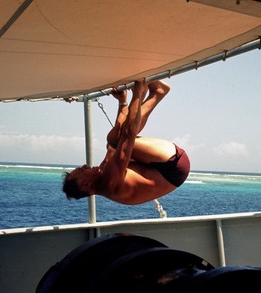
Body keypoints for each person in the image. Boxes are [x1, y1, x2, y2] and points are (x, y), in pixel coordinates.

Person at [62, 79, 190, 205]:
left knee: (112, 143)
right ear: (86, 185)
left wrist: (122, 102)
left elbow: (116, 143)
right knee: (115, 140)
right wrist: (137, 93)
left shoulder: (103, 173)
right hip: (172, 166)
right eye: (82, 170)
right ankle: (156, 93)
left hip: (163, 167)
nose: (84, 165)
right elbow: (128, 136)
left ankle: (153, 93)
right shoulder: (111, 183)